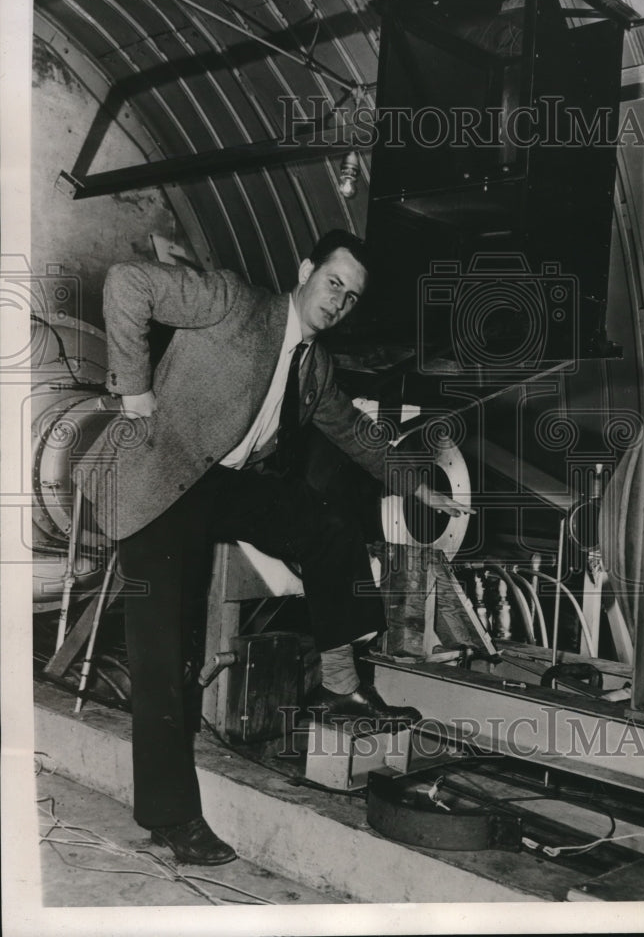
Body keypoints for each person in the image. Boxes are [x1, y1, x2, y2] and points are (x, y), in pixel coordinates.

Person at [78, 229, 471, 866]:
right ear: (305, 269)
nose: (339, 301)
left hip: (220, 486)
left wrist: (418, 487)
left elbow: (355, 434)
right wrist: (134, 388)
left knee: (327, 527)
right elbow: (129, 282)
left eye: (351, 297)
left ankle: (342, 678)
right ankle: (172, 817)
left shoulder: (315, 366)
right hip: (156, 482)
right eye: (333, 282)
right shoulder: (233, 301)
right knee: (165, 660)